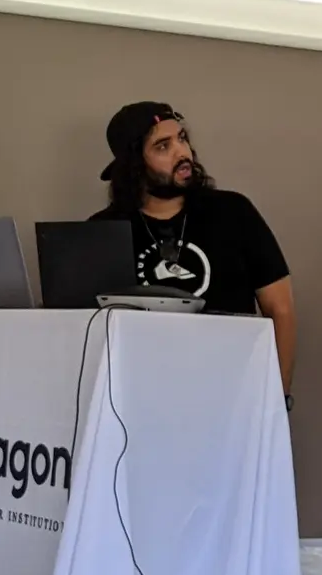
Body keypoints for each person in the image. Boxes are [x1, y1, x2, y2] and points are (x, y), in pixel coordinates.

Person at [90, 102, 296, 404]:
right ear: (134, 165)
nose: (182, 153)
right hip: (139, 401)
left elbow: (281, 310)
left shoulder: (233, 212)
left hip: (232, 394)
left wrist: (279, 398)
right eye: (163, 146)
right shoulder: (103, 230)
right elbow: (89, 328)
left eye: (182, 138)